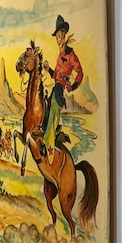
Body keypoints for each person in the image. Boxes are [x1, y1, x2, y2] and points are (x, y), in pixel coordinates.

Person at [42, 14, 83, 163]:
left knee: (52, 119)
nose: (58, 40)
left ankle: (49, 148)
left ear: (65, 36)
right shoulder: (59, 55)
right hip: (55, 88)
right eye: (57, 37)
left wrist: (73, 86)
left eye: (60, 36)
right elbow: (56, 77)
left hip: (59, 92)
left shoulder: (71, 55)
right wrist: (48, 70)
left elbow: (80, 72)